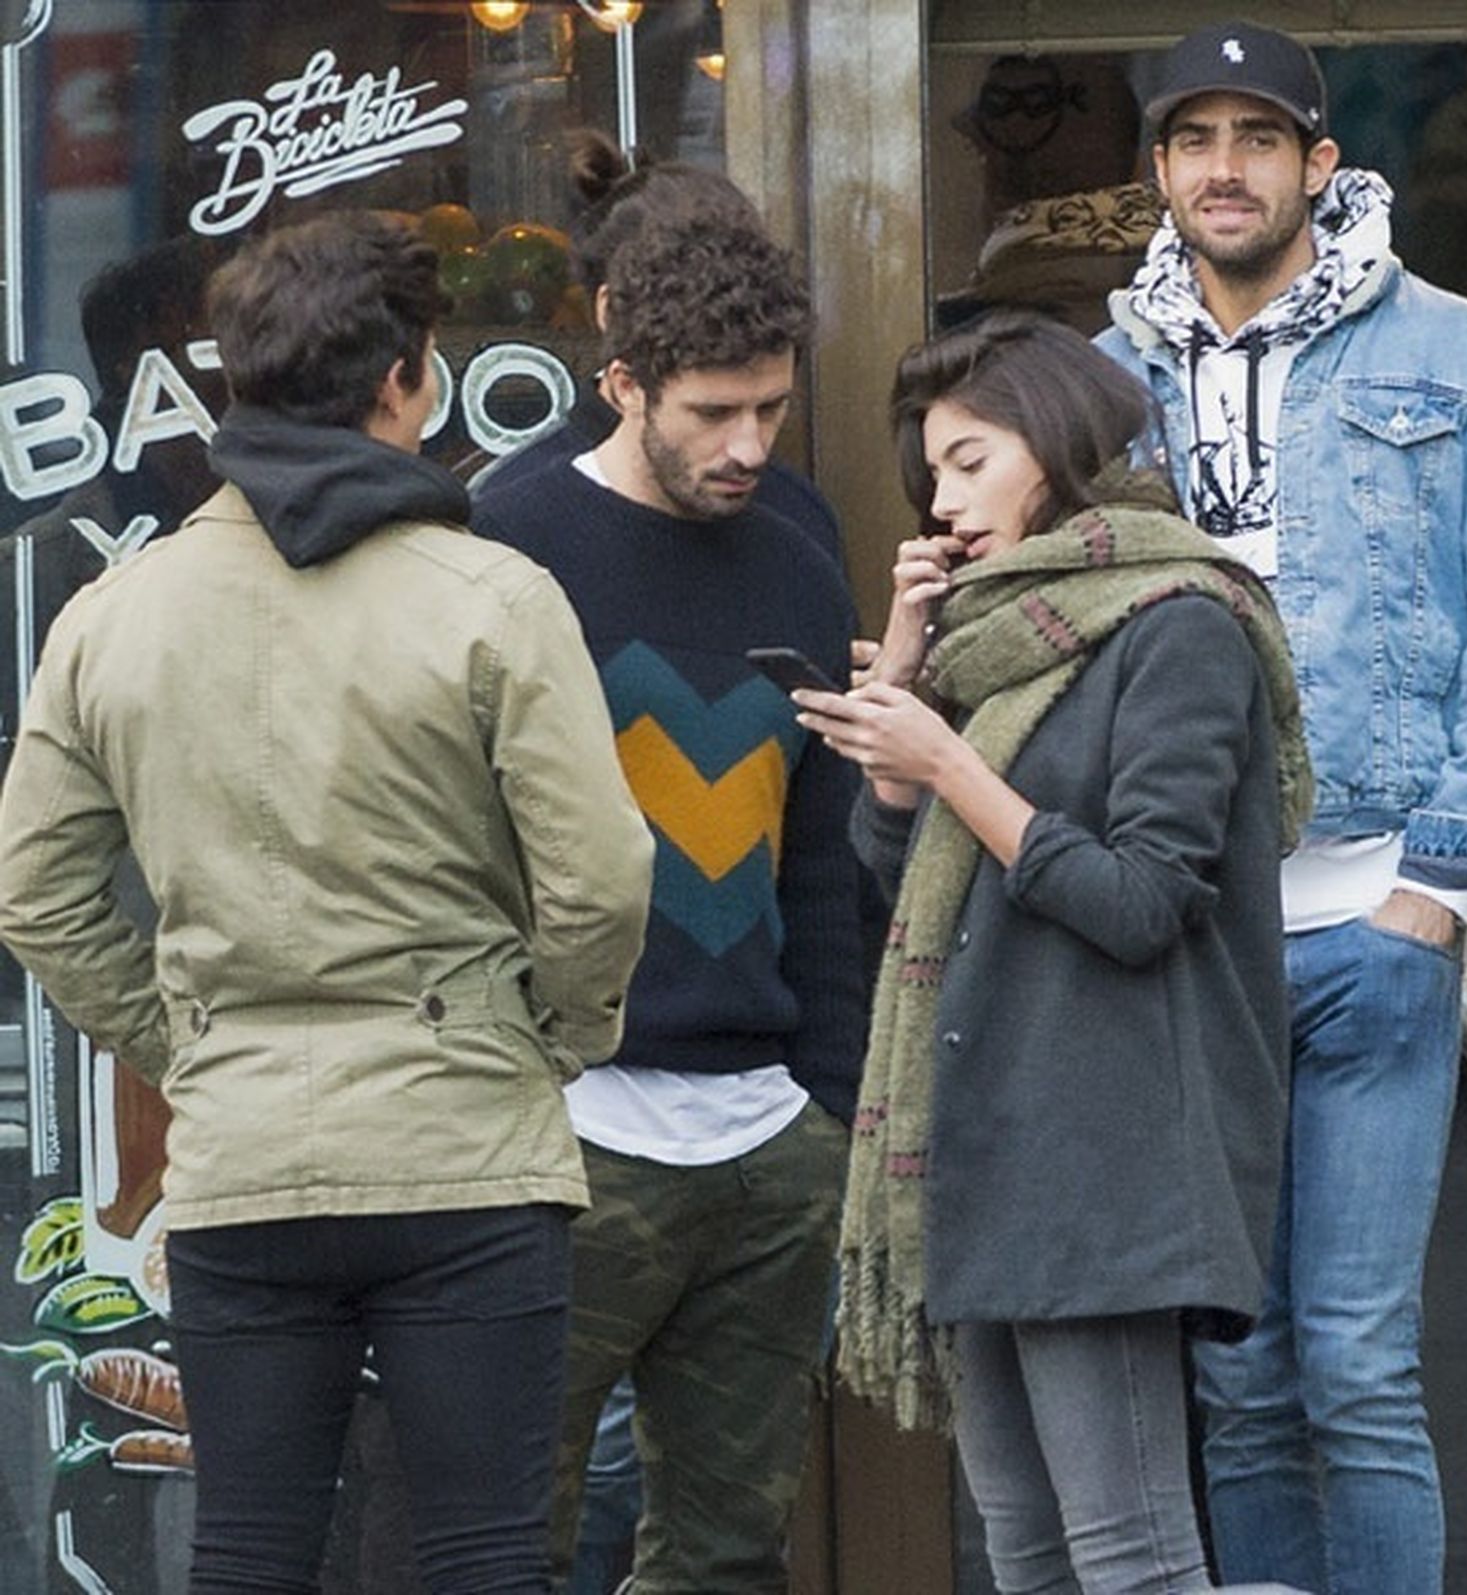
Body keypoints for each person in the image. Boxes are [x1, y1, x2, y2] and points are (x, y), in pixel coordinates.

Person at [0, 210, 655, 1595]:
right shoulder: (495, 597)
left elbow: (38, 895)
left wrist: (191, 1044)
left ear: (229, 377)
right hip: (467, 1140)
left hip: (243, 1150)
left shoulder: (113, 614)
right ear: (410, 378)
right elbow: (600, 877)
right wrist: (554, 1033)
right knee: (483, 1553)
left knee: (249, 1549)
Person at [1096, 23, 1467, 1594]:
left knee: (1363, 1369)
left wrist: (1437, 889)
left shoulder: (1456, 352)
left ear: (1320, 163)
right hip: (1190, 935)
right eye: (1194, 139)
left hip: (1376, 922)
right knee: (1239, 1377)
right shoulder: (1104, 378)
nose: (1224, 168)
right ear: (1158, 170)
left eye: (1258, 138)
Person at [795, 308, 1311, 1595]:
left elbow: (1142, 899)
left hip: (1104, 1156)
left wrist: (949, 762)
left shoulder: (1179, 621)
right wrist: (908, 686)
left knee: (1134, 1558)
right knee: (1024, 1551)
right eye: (932, 473)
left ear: (1057, 437)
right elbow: (906, 877)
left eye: (970, 460)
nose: (943, 500)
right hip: (986, 1138)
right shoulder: (996, 640)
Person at [476, 210, 865, 1595]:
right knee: (505, 1544)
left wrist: (829, 1108)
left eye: (771, 407)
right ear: (624, 380)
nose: (749, 444)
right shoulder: (505, 549)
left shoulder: (799, 558)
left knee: (729, 1557)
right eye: (712, 412)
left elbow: (823, 860)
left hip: (768, 1142)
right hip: (565, 1134)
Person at [472, 128, 842, 566]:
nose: (748, 449)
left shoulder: (797, 514)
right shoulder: (508, 521)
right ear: (612, 309)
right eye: (713, 412)